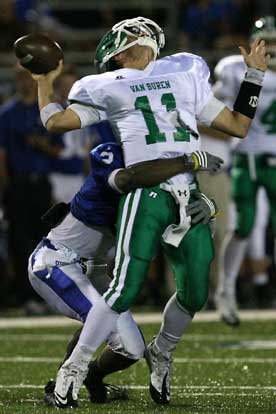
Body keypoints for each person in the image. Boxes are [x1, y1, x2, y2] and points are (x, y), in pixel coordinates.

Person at [31, 16, 268, 406]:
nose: (114, 51)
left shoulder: (185, 70)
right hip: (146, 194)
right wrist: (45, 82)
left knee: (194, 293)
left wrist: (254, 78)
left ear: (141, 39)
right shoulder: (106, 85)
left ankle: (163, 350)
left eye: (121, 42)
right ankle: (73, 369)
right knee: (124, 287)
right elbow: (56, 122)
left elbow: (238, 126)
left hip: (187, 196)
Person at [29, 138, 219, 406]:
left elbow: (175, 215)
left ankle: (93, 376)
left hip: (93, 269)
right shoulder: (117, 161)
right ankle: (61, 381)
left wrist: (207, 206)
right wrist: (184, 166)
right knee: (97, 313)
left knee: (131, 349)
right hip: (56, 260)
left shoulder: (159, 176)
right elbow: (130, 182)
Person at [214, 16, 276, 326]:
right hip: (248, 157)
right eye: (267, 41)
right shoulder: (233, 68)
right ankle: (226, 290)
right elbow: (216, 111)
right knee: (244, 225)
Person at [0, 66, 62, 308]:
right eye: (21, 77)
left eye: (29, 77)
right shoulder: (7, 113)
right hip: (19, 182)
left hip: (43, 182)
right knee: (21, 240)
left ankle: (48, 295)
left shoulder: (47, 110)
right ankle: (27, 295)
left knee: (45, 240)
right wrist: (5, 186)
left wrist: (42, 145)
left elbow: (59, 150)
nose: (25, 82)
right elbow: (2, 155)